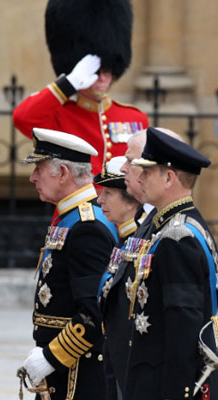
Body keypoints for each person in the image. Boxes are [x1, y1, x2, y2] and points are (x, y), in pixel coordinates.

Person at [125, 127, 218, 400]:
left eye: (146, 172)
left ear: (169, 178)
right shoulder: (176, 226)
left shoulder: (177, 238)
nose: (139, 177)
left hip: (166, 386)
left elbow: (183, 330)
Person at [20, 128, 118, 399]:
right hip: (63, 370)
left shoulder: (87, 226)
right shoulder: (70, 217)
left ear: (62, 172)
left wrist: (52, 356)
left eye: (39, 169)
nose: (32, 177)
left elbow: (93, 311)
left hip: (78, 374)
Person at [13, 0, 148, 175]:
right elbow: (22, 118)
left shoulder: (134, 118)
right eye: (95, 71)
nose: (103, 77)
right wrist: (69, 83)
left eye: (108, 69)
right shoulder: (59, 116)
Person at [93, 156, 142, 400]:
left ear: (131, 201)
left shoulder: (140, 245)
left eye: (109, 193)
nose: (100, 199)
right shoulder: (123, 243)